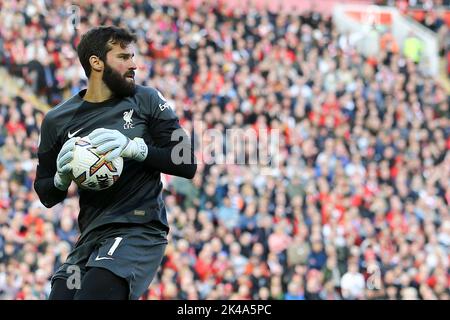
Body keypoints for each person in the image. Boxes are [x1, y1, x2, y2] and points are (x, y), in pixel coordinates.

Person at [34, 26, 196, 300]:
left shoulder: (147, 99)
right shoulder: (57, 120)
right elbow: (45, 192)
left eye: (133, 56)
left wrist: (136, 149)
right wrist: (61, 180)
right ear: (96, 62)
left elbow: (187, 162)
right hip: (90, 237)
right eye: (123, 57)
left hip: (138, 230)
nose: (134, 64)